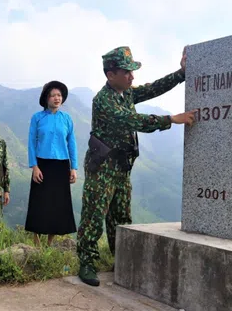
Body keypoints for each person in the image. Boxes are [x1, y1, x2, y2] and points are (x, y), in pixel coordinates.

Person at [77, 46, 197, 286]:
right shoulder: (103, 100)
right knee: (93, 217)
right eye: (126, 72)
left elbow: (153, 88)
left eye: (132, 71)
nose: (132, 76)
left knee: (121, 218)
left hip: (121, 168)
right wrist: (171, 119)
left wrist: (181, 73)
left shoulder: (126, 93)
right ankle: (86, 263)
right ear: (111, 75)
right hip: (103, 169)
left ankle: (121, 260)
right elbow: (131, 120)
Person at [25, 81, 79, 247]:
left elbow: (72, 143)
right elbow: (31, 143)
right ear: (46, 98)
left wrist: (74, 168)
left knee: (57, 203)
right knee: (39, 201)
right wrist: (34, 166)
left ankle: (50, 242)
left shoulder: (66, 119)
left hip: (61, 165)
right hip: (42, 164)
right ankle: (36, 240)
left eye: (59, 95)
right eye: (53, 95)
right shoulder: (37, 118)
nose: (57, 98)